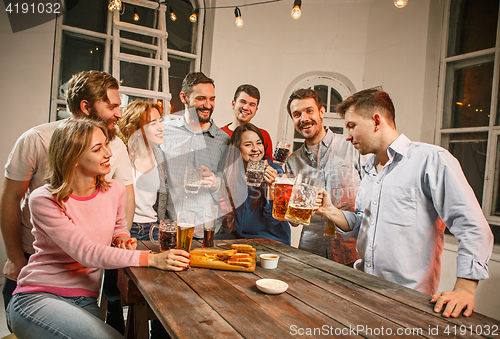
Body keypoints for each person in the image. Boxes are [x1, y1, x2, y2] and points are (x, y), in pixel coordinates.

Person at [315, 87, 493, 318]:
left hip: (408, 301)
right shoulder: (368, 170)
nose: (347, 136)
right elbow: (363, 224)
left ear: (376, 121)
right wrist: (331, 211)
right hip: (361, 289)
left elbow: (473, 225)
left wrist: (465, 289)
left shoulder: (431, 159)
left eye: (351, 126)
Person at [5, 119, 190, 339]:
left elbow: (118, 227)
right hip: (39, 297)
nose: (108, 153)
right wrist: (152, 258)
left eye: (106, 145)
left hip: (85, 300)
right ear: (72, 158)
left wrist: (121, 239)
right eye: (97, 148)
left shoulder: (115, 191)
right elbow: (86, 252)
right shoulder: (44, 198)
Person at [0, 70, 134, 333]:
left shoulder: (115, 145)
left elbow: (124, 196)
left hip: (86, 269)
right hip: (35, 259)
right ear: (86, 107)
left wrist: (120, 238)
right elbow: (11, 197)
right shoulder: (36, 139)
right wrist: (15, 257)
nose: (119, 113)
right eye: (112, 106)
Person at [284, 88, 361, 265]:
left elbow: (372, 194)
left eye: (309, 111)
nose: (304, 119)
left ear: (321, 111)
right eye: (297, 114)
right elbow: (294, 222)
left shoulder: (351, 147)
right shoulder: (292, 161)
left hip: (351, 250)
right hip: (310, 250)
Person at [161, 72, 230, 238]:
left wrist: (215, 183)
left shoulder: (223, 140)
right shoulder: (164, 132)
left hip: (206, 231)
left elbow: (230, 190)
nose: (208, 105)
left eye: (212, 99)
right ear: (184, 97)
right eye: (201, 98)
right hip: (171, 228)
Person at [217, 123, 291, 244]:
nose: (255, 148)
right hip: (243, 236)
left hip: (271, 239)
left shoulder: (275, 172)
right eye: (248, 144)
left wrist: (271, 189)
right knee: (202, 244)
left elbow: (274, 220)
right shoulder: (234, 173)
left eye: (259, 143)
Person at [117, 99, 168, 240]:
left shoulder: (160, 157)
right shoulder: (121, 155)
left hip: (153, 230)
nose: (161, 127)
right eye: (153, 123)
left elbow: (162, 200)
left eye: (160, 121)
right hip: (125, 228)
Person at [221, 84, 273, 161]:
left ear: (256, 110)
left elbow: (269, 166)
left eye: (252, 105)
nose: (246, 108)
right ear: (233, 104)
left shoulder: (263, 135)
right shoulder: (219, 134)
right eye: (242, 102)